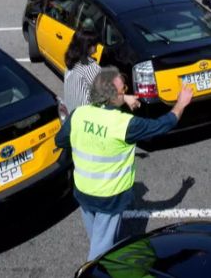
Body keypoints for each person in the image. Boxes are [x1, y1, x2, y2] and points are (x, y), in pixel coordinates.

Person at [55, 67, 195, 261]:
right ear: (113, 96)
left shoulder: (79, 114)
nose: (126, 91)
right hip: (108, 198)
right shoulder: (125, 124)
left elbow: (60, 141)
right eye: (124, 90)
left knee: (97, 238)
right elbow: (163, 125)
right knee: (99, 253)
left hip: (82, 192)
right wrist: (180, 104)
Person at [64, 31, 140, 114]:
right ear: (87, 47)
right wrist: (126, 98)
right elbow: (107, 95)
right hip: (87, 117)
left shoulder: (71, 63)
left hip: (72, 114)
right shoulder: (88, 66)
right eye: (95, 44)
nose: (97, 46)